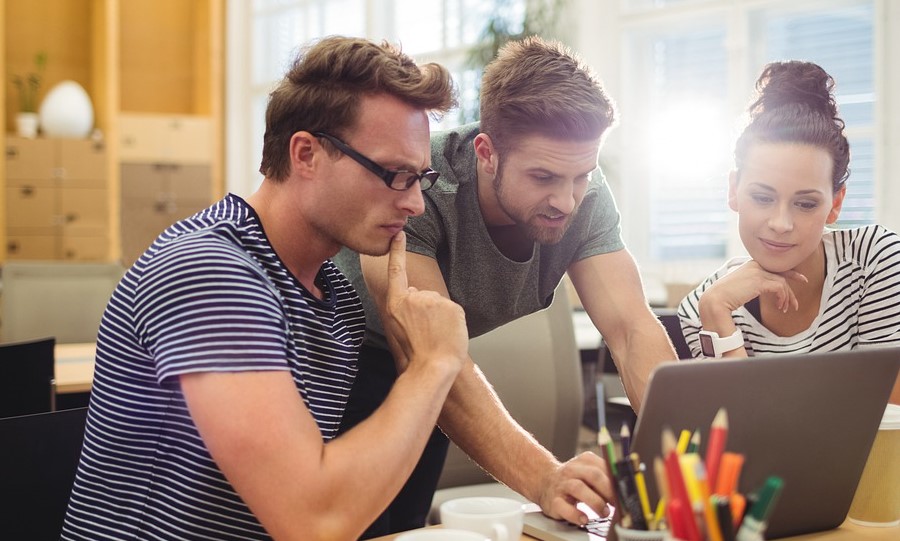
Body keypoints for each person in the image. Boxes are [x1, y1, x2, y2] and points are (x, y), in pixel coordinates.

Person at [61, 36, 471, 541]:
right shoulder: (211, 271)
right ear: (306, 154)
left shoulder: (335, 299)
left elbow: (339, 494)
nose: (416, 205)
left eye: (420, 179)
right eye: (395, 176)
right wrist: (433, 365)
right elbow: (312, 520)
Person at [334, 36, 678, 537]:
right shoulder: (418, 184)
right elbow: (426, 353)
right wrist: (544, 477)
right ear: (487, 152)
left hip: (433, 379)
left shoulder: (584, 192)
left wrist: (689, 460)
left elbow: (630, 329)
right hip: (343, 369)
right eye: (543, 176)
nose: (566, 199)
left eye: (581, 175)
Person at [677, 60, 900, 405]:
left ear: (835, 203)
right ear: (734, 190)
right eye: (763, 197)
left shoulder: (875, 261)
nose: (781, 223)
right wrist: (717, 310)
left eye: (806, 204)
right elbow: (737, 436)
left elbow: (891, 423)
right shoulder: (704, 307)